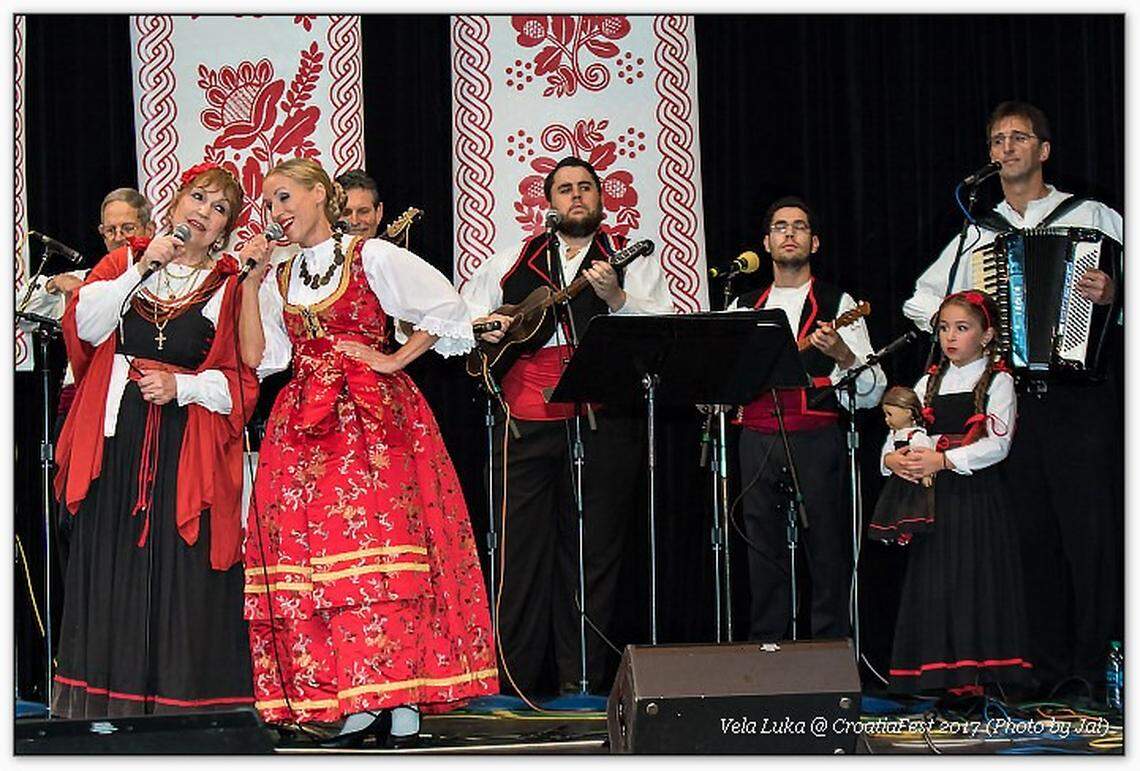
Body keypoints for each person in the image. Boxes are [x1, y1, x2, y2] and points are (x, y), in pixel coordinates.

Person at [238, 157, 496, 744]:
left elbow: (448, 309)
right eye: (270, 202)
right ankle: (355, 694)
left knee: (386, 555)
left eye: (284, 197)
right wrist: (251, 281)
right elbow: (262, 358)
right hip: (304, 427)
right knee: (325, 569)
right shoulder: (278, 278)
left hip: (372, 421)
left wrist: (393, 358)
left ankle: (401, 699)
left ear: (318, 196)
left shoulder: (369, 255)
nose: (276, 210)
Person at [902, 101, 1123, 696]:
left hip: (1079, 399)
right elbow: (922, 303)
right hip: (1011, 398)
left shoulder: (1095, 216)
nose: (1005, 148)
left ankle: (1091, 670)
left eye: (1018, 138)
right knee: (1031, 537)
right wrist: (970, 320)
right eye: (997, 140)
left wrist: (1112, 295)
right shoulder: (979, 233)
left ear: (1043, 150)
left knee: (1090, 536)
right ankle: (1045, 670)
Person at [461, 155, 673, 696]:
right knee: (517, 551)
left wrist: (616, 299)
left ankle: (584, 682)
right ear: (548, 204)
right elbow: (463, 322)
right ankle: (511, 684)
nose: (576, 197)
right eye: (564, 190)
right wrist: (487, 329)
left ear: (602, 200)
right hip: (524, 417)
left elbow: (665, 327)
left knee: (593, 549)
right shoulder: (514, 259)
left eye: (585, 188)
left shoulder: (629, 259)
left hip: (602, 415)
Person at [51, 163, 257, 717]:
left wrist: (183, 385)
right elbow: (88, 328)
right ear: (175, 202)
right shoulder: (126, 261)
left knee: (178, 573)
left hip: (183, 444)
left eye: (218, 210)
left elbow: (244, 378)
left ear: (225, 230)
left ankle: (180, 706)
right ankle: (112, 709)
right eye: (198, 198)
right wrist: (142, 265)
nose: (204, 214)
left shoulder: (228, 285)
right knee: (113, 567)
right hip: (117, 440)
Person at [727, 196, 884, 643]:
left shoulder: (838, 302)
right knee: (762, 551)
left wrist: (843, 354)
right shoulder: (744, 303)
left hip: (815, 437)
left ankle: (830, 654)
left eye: (799, 227)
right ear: (766, 242)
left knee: (826, 550)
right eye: (780, 227)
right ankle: (769, 653)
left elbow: (872, 389)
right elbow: (725, 380)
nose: (789, 233)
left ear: (814, 242)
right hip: (756, 437)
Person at [884, 290, 1031, 695]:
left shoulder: (998, 381)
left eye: (962, 328)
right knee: (939, 583)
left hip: (977, 497)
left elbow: (997, 446)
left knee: (976, 580)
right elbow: (898, 433)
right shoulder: (928, 381)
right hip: (932, 503)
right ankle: (942, 676)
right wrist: (892, 461)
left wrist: (944, 461)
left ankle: (978, 680)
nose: (951, 337)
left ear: (986, 336)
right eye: (945, 328)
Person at [868, 386, 935, 545]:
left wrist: (926, 474)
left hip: (914, 480)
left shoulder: (917, 435)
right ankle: (891, 531)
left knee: (911, 506)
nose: (886, 419)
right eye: (885, 415)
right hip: (897, 479)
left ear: (908, 412)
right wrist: (888, 461)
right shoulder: (893, 436)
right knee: (893, 505)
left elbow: (927, 453)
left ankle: (907, 530)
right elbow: (886, 456)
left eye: (890, 414)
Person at [334, 168, 383, 239]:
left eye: (363, 212)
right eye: (345, 213)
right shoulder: (317, 250)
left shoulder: (392, 250)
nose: (355, 222)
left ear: (379, 213)